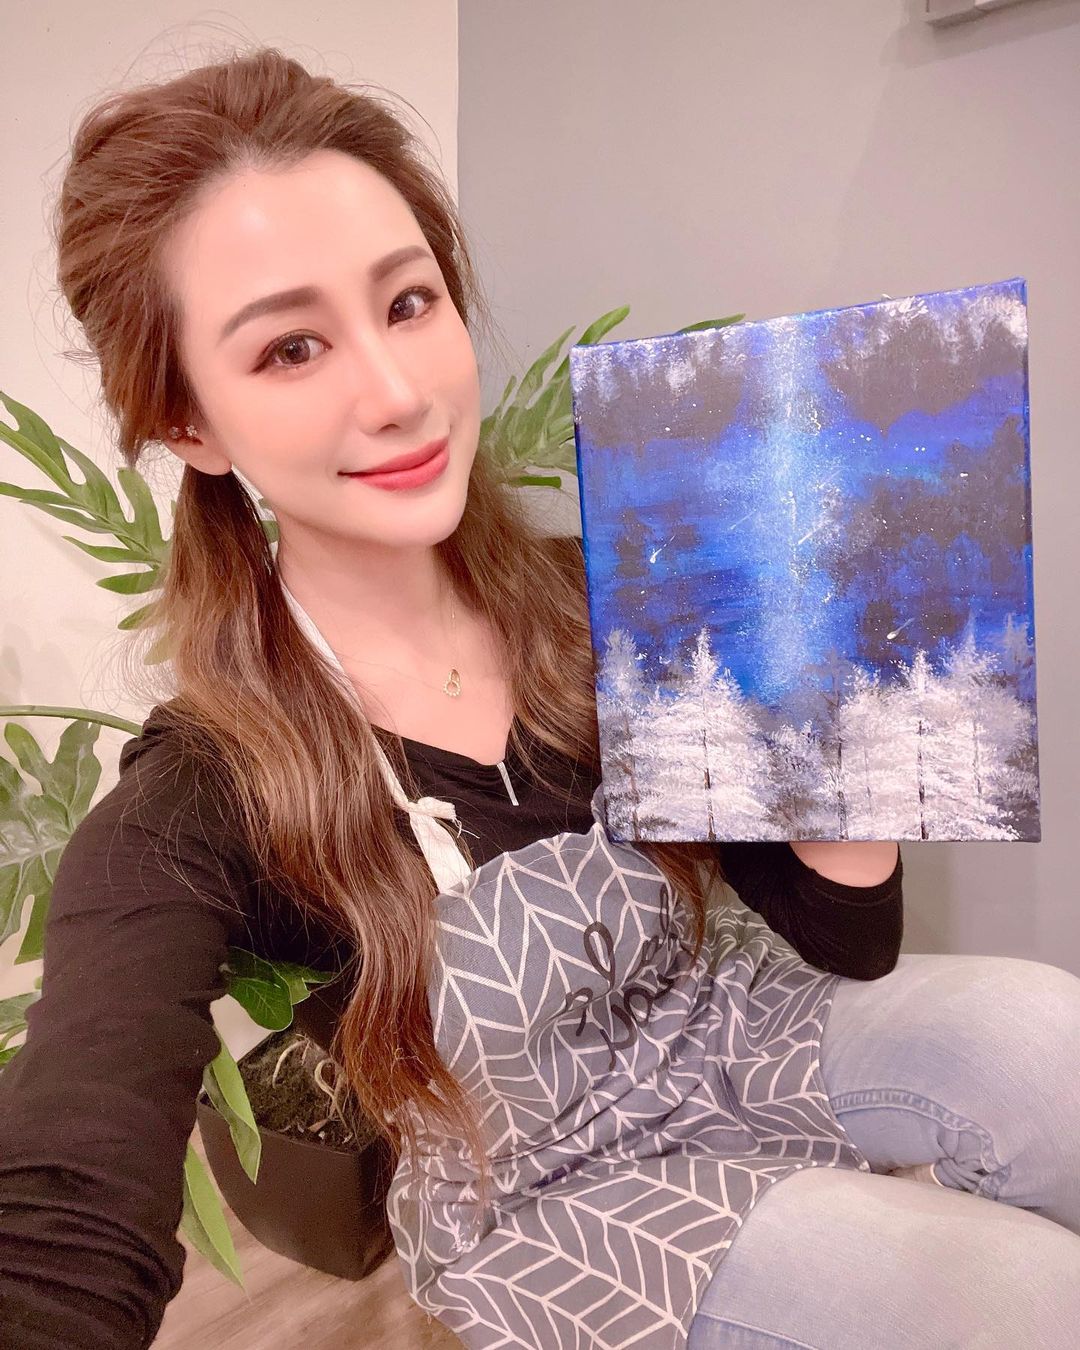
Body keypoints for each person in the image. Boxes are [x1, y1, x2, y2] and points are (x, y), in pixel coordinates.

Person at [1, 45, 1078, 1350]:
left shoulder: (612, 596)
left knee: (1048, 1037)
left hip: (730, 1031)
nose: (399, 393)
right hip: (538, 1191)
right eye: (291, 347)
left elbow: (845, 942)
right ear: (191, 424)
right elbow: (68, 1217)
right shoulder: (197, 798)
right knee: (1023, 1297)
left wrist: (843, 693)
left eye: (408, 303)